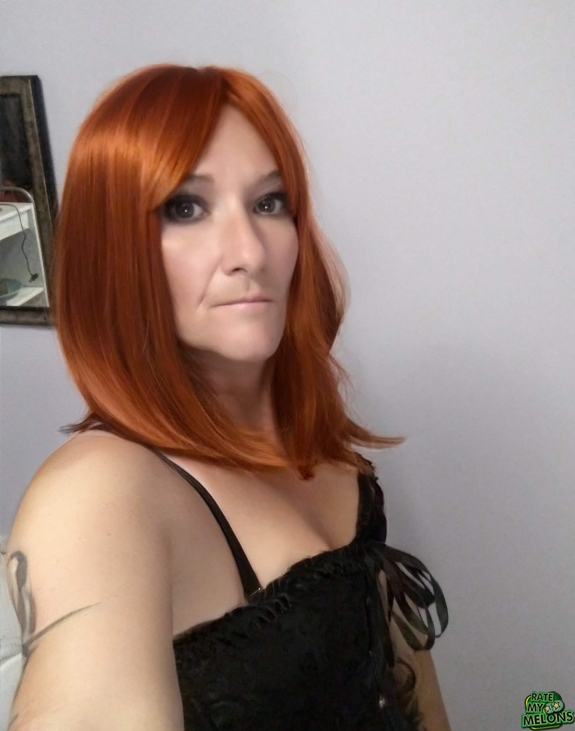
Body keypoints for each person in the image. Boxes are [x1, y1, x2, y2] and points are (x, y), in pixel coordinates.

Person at [3, 64, 450, 731]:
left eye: (269, 203)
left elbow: (414, 694)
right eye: (185, 208)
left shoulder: (322, 449)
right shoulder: (98, 496)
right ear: (113, 250)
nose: (250, 251)